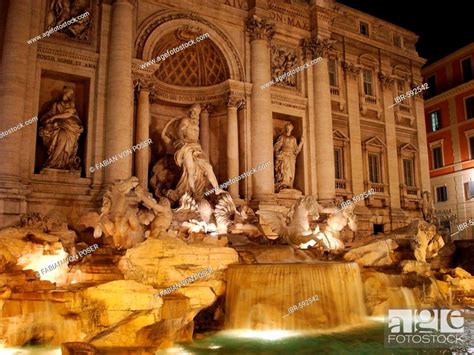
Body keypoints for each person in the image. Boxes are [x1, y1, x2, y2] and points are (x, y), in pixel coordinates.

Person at [161, 104, 223, 201]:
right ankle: (192, 192)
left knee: (209, 167)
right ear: (190, 112)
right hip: (186, 146)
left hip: (196, 147)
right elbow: (179, 132)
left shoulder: (196, 123)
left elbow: (195, 137)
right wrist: (181, 141)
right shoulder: (185, 120)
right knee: (190, 169)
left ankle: (217, 190)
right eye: (193, 111)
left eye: (196, 112)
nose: (194, 114)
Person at [39, 86, 83, 171]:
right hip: (58, 126)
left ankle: (63, 163)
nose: (70, 95)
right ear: (65, 92)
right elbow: (49, 114)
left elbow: (68, 114)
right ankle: (53, 162)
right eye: (69, 93)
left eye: (71, 94)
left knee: (63, 138)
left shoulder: (71, 104)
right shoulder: (56, 104)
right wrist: (46, 119)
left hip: (70, 127)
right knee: (60, 136)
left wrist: (54, 117)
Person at [273, 122, 303, 192]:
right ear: (286, 128)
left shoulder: (293, 139)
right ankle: (283, 185)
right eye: (287, 127)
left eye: (290, 128)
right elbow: (276, 147)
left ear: (292, 129)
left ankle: (289, 184)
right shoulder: (282, 137)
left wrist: (301, 142)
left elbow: (296, 150)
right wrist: (278, 154)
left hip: (291, 157)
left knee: (291, 172)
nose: (288, 129)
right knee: (285, 170)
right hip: (284, 155)